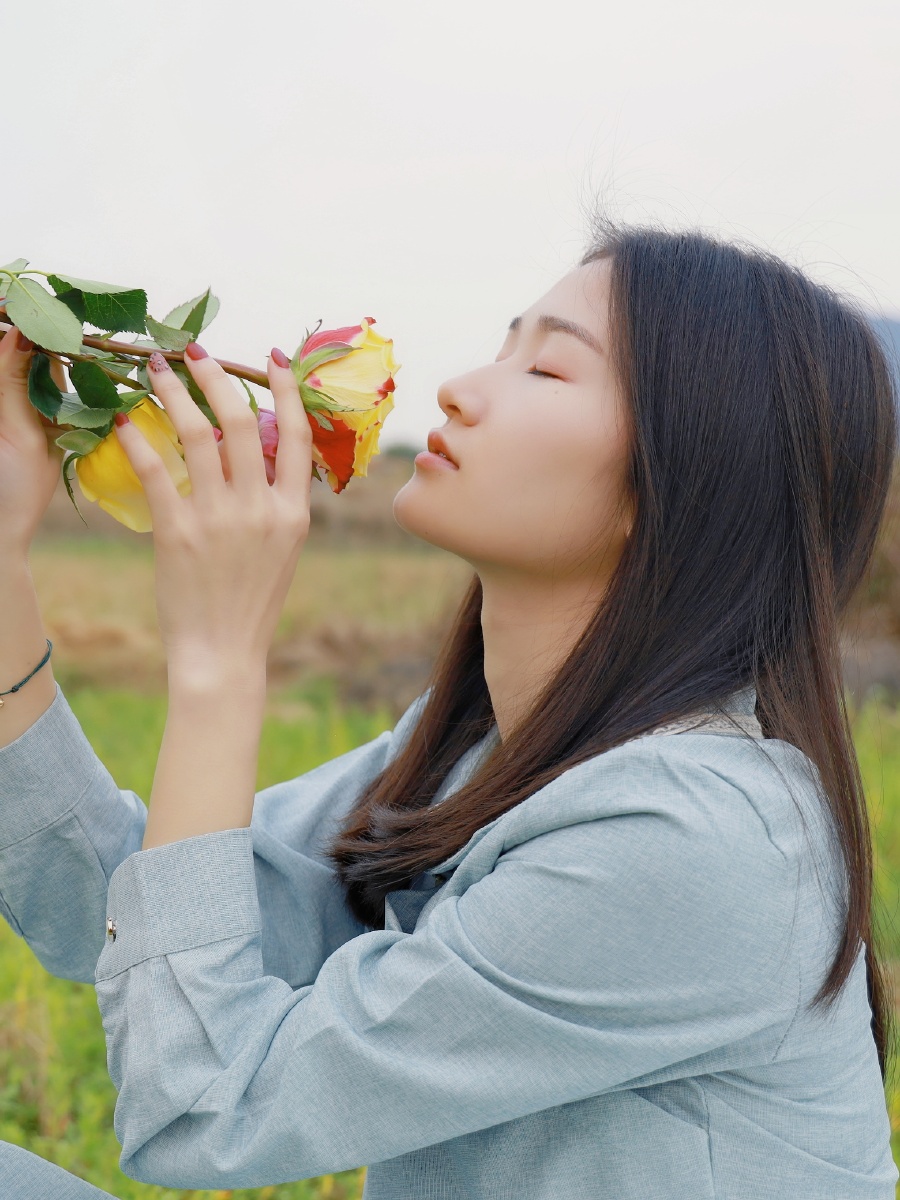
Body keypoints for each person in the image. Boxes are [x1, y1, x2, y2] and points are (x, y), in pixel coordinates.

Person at [0, 220, 897, 1199]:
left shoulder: (693, 840)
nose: (461, 390)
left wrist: (219, 661)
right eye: (504, 346)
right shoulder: (488, 754)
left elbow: (205, 1108)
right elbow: (123, 914)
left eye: (548, 371)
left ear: (686, 480)